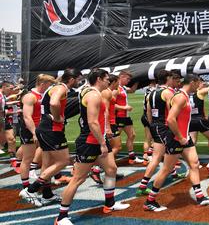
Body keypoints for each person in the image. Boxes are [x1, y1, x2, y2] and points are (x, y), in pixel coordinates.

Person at [55, 68, 130, 225]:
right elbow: (92, 122)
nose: (109, 81)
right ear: (99, 79)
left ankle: (109, 204)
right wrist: (102, 143)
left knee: (111, 169)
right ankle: (61, 217)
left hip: (97, 139)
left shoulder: (89, 92)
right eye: (107, 78)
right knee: (78, 179)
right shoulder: (94, 95)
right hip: (90, 141)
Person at [144, 74, 209, 211]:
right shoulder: (180, 97)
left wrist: (185, 137)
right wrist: (180, 136)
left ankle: (200, 197)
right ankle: (150, 200)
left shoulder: (183, 95)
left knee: (194, 163)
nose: (199, 86)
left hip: (185, 137)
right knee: (166, 169)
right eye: (198, 83)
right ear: (193, 82)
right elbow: (171, 119)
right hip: (176, 138)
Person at [20, 69, 81, 206]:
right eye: (78, 79)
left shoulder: (54, 87)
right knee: (64, 161)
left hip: (45, 128)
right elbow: (54, 103)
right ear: (71, 79)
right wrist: (58, 117)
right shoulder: (61, 88)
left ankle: (47, 194)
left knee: (47, 164)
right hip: (51, 130)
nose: (79, 82)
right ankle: (31, 189)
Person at [136, 69, 182, 197]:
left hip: (156, 125)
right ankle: (143, 186)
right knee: (160, 157)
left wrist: (152, 125)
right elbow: (172, 111)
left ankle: (171, 174)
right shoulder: (167, 92)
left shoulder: (152, 93)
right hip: (165, 126)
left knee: (162, 154)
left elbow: (149, 112)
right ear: (168, 78)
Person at [17, 74, 54, 201]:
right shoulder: (30, 96)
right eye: (49, 84)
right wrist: (34, 132)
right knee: (27, 158)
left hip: (42, 130)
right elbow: (27, 117)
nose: (51, 87)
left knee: (48, 160)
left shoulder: (43, 95)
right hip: (30, 130)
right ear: (42, 83)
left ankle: (47, 192)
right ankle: (27, 189)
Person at [114, 71, 142, 164]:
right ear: (121, 77)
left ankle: (132, 157)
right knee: (115, 142)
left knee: (132, 135)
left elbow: (132, 90)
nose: (128, 81)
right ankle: (102, 162)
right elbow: (110, 105)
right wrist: (124, 107)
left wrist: (139, 80)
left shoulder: (123, 88)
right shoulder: (115, 89)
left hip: (126, 116)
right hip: (119, 117)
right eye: (127, 79)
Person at [188, 80, 209, 169]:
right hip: (200, 120)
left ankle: (194, 162)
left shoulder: (186, 94)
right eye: (201, 83)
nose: (202, 84)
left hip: (190, 120)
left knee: (193, 141)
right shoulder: (200, 92)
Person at [141, 80, 157, 163]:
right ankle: (149, 155)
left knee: (148, 138)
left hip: (144, 115)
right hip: (149, 116)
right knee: (154, 138)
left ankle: (145, 156)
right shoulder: (153, 91)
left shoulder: (147, 90)